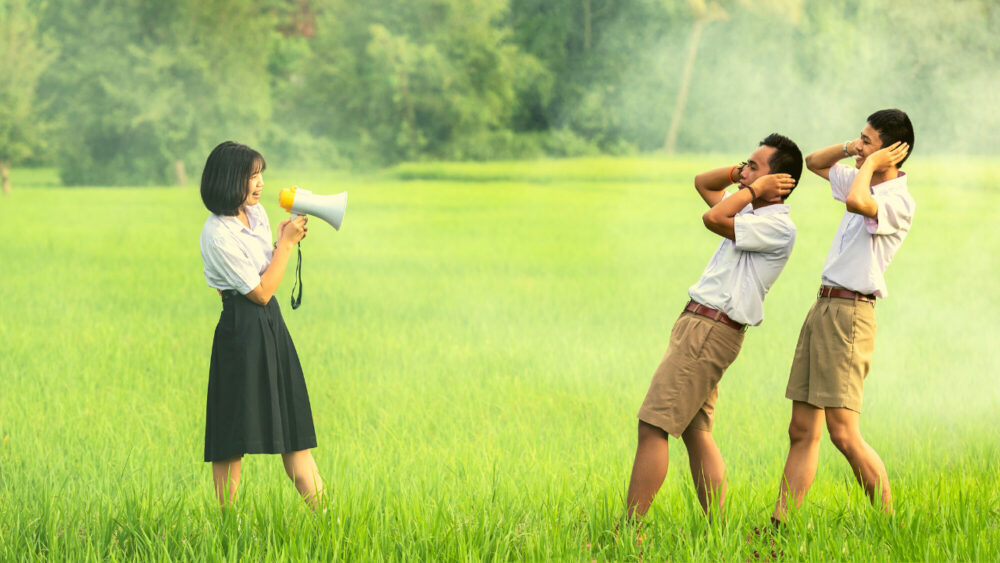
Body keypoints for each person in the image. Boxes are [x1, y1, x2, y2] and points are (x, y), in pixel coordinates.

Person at [626, 133, 803, 520]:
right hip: (701, 325)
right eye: (745, 164)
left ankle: (628, 531)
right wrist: (742, 174)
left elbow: (712, 217)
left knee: (653, 426)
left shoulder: (776, 226)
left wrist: (752, 188)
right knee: (695, 431)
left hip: (710, 329)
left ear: (778, 182)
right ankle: (718, 530)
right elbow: (702, 183)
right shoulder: (750, 212)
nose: (744, 173)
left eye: (754, 166)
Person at [771, 109, 914, 523]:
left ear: (890, 153)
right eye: (860, 139)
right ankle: (780, 527)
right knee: (801, 429)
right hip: (824, 306)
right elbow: (814, 163)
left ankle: (889, 524)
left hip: (852, 313)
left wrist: (869, 163)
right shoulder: (861, 175)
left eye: (868, 141)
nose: (859, 146)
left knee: (843, 433)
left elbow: (856, 201)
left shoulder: (898, 200)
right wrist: (856, 150)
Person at [199, 140, 324, 510]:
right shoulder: (217, 235)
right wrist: (285, 246)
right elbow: (262, 291)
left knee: (294, 431)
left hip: (271, 327)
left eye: (260, 175)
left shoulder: (256, 216)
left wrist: (282, 241)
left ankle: (330, 521)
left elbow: (267, 270)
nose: (260, 184)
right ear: (228, 180)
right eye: (251, 176)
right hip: (241, 331)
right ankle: (228, 525)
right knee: (230, 436)